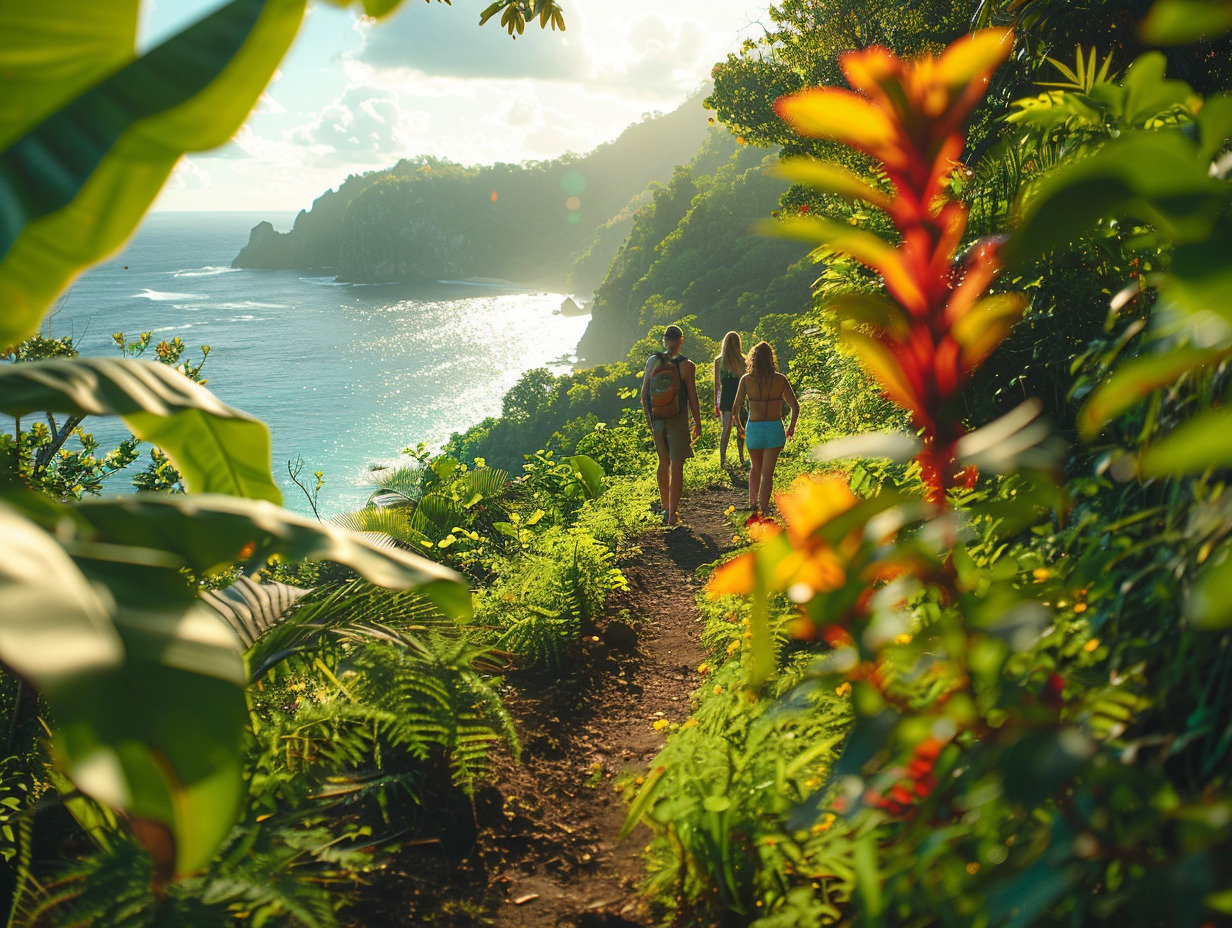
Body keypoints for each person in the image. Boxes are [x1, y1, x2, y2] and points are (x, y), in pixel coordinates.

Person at [642, 324, 702, 526]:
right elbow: (692, 396)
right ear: (680, 341)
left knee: (663, 462)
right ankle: (672, 514)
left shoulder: (652, 361)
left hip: (657, 420)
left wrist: (650, 421)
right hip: (678, 420)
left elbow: (644, 394)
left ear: (664, 340)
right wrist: (698, 422)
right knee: (677, 465)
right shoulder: (687, 366)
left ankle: (666, 507)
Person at [733, 340, 799, 515]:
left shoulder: (746, 380)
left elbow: (736, 408)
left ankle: (752, 503)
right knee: (767, 473)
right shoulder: (780, 379)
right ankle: (764, 508)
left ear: (752, 359)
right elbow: (795, 406)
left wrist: (740, 427)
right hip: (774, 428)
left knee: (755, 467)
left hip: (754, 428)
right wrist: (791, 426)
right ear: (771, 359)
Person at [713, 331, 747, 469]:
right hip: (737, 396)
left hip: (728, 396)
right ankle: (740, 458)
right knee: (739, 428)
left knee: (727, 429)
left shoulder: (720, 361)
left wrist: (716, 403)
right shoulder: (742, 360)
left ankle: (724, 460)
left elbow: (717, 385)